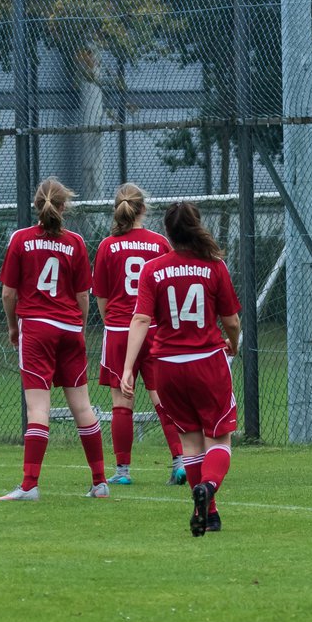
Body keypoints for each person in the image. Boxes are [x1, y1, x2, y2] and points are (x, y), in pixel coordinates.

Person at [122, 201, 240, 537]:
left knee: (190, 441)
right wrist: (234, 341)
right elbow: (230, 320)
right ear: (196, 226)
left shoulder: (153, 270)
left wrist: (129, 367)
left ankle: (210, 513)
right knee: (219, 438)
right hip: (206, 362)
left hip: (167, 368)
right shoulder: (214, 266)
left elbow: (142, 319)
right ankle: (210, 486)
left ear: (169, 234)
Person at [0, 177, 108, 501]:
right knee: (82, 407)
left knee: (38, 409)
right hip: (70, 329)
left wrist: (13, 326)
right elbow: (83, 296)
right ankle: (100, 482)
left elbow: (8, 294)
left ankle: (30, 485)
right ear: (63, 207)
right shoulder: (74, 242)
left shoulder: (21, 240)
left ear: (37, 207)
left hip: (37, 329)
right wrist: (80, 327)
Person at [91, 183, 185, 486]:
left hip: (120, 331)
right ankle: (180, 462)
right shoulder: (159, 243)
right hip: (155, 330)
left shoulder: (107, 246)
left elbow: (102, 297)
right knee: (164, 399)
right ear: (143, 208)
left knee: (122, 401)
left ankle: (122, 472)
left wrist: (115, 325)